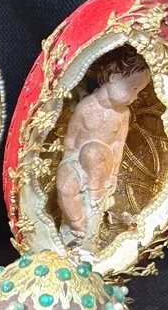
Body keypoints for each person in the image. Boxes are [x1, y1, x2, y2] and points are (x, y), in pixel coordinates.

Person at [56, 51, 151, 250]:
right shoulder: (85, 107)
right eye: (133, 88)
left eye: (138, 91)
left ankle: (95, 192)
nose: (135, 97)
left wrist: (114, 175)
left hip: (101, 164)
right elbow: (70, 141)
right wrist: (69, 165)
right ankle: (76, 225)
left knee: (93, 151)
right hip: (76, 161)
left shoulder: (122, 114)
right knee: (65, 187)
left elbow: (118, 145)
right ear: (114, 78)